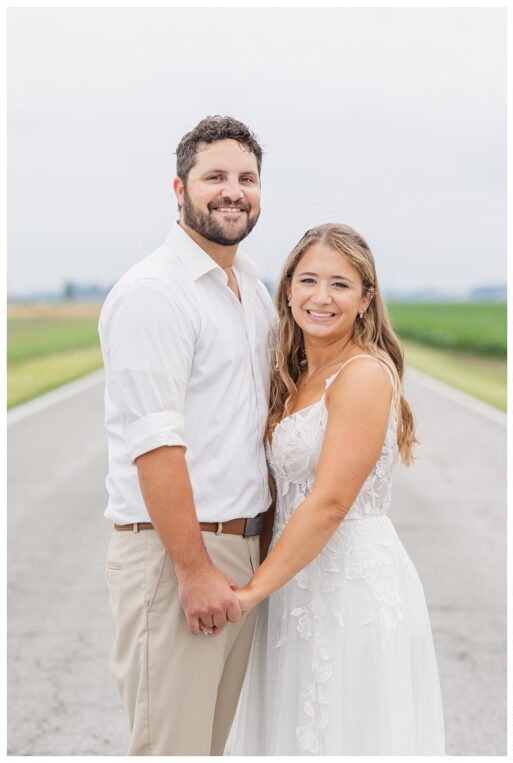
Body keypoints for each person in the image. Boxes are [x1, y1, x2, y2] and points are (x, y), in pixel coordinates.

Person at [226, 224, 446, 755]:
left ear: (366, 299)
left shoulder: (363, 375)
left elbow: (329, 504)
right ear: (288, 291)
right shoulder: (295, 376)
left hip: (349, 587)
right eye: (308, 280)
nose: (321, 297)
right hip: (295, 579)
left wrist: (251, 591)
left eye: (340, 284)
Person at [100, 116, 273, 754]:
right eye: (215, 177)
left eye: (247, 178)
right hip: (178, 557)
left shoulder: (250, 289)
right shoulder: (155, 293)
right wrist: (194, 571)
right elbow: (156, 445)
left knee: (208, 749)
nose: (234, 191)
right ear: (180, 190)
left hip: (239, 553)